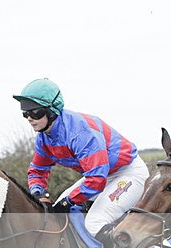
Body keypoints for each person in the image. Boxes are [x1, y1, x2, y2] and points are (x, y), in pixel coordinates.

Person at [13, 78, 149, 239]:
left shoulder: (80, 133)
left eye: (35, 112)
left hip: (128, 173)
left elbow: (96, 180)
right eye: (25, 113)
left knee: (95, 222)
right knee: (59, 213)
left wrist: (68, 202)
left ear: (52, 110)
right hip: (102, 176)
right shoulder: (44, 138)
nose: (29, 118)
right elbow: (38, 170)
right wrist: (37, 192)